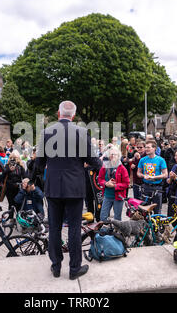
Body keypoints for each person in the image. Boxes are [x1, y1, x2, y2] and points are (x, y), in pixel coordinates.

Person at [35, 100, 102, 280]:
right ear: (73, 116)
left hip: (54, 187)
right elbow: (95, 161)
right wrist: (89, 164)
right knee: (74, 228)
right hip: (74, 187)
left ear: (58, 114)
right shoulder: (81, 132)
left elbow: (39, 164)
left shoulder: (46, 132)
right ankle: (74, 269)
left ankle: (56, 266)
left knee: (54, 228)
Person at [98, 146, 130, 221]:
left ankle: (116, 231)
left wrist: (115, 186)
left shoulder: (122, 168)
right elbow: (100, 179)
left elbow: (126, 183)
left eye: (114, 154)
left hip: (118, 197)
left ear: (118, 156)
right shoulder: (105, 166)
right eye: (111, 154)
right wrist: (106, 183)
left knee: (117, 218)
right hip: (107, 195)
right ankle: (107, 230)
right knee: (103, 217)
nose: (112, 156)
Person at [136, 140, 168, 214]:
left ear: (154, 148)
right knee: (144, 211)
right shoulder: (142, 160)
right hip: (146, 187)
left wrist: (154, 177)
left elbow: (165, 174)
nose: (146, 149)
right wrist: (144, 175)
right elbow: (138, 173)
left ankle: (156, 225)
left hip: (157, 188)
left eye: (148, 147)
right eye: (146, 147)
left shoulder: (161, 160)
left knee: (157, 211)